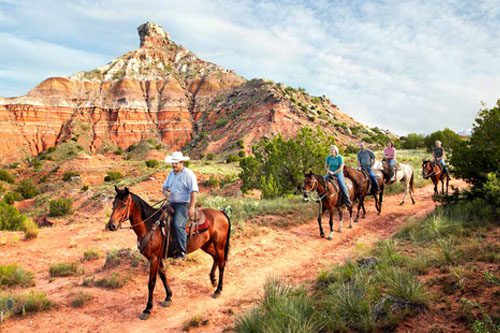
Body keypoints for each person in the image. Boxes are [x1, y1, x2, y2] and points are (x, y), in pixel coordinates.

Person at [161, 151, 199, 259]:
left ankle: (182, 251)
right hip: (171, 203)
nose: (173, 165)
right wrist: (165, 192)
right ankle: (166, 247)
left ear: (182, 162)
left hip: (184, 204)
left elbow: (194, 191)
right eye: (172, 163)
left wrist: (191, 207)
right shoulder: (171, 174)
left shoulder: (189, 174)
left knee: (178, 224)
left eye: (176, 163)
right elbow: (164, 187)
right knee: (159, 219)